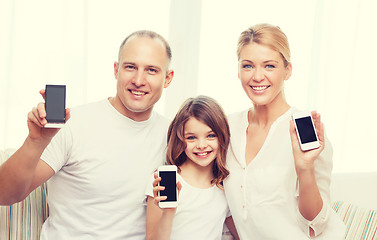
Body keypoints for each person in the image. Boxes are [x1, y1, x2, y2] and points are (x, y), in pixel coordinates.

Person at [0, 30, 174, 239]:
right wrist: (35, 141)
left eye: (151, 70)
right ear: (116, 70)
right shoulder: (73, 124)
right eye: (130, 67)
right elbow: (5, 194)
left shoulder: (175, 136)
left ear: (168, 78)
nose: (138, 80)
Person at [223, 23, 346, 239]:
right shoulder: (227, 128)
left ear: (287, 70)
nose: (257, 76)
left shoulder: (304, 127)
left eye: (269, 66)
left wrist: (305, 167)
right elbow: (226, 207)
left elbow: (315, 223)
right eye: (248, 66)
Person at [145, 96, 239, 240]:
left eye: (211, 136)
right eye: (191, 138)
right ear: (180, 139)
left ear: (222, 137)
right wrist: (168, 212)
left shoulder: (223, 186)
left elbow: (242, 233)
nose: (201, 145)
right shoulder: (165, 181)